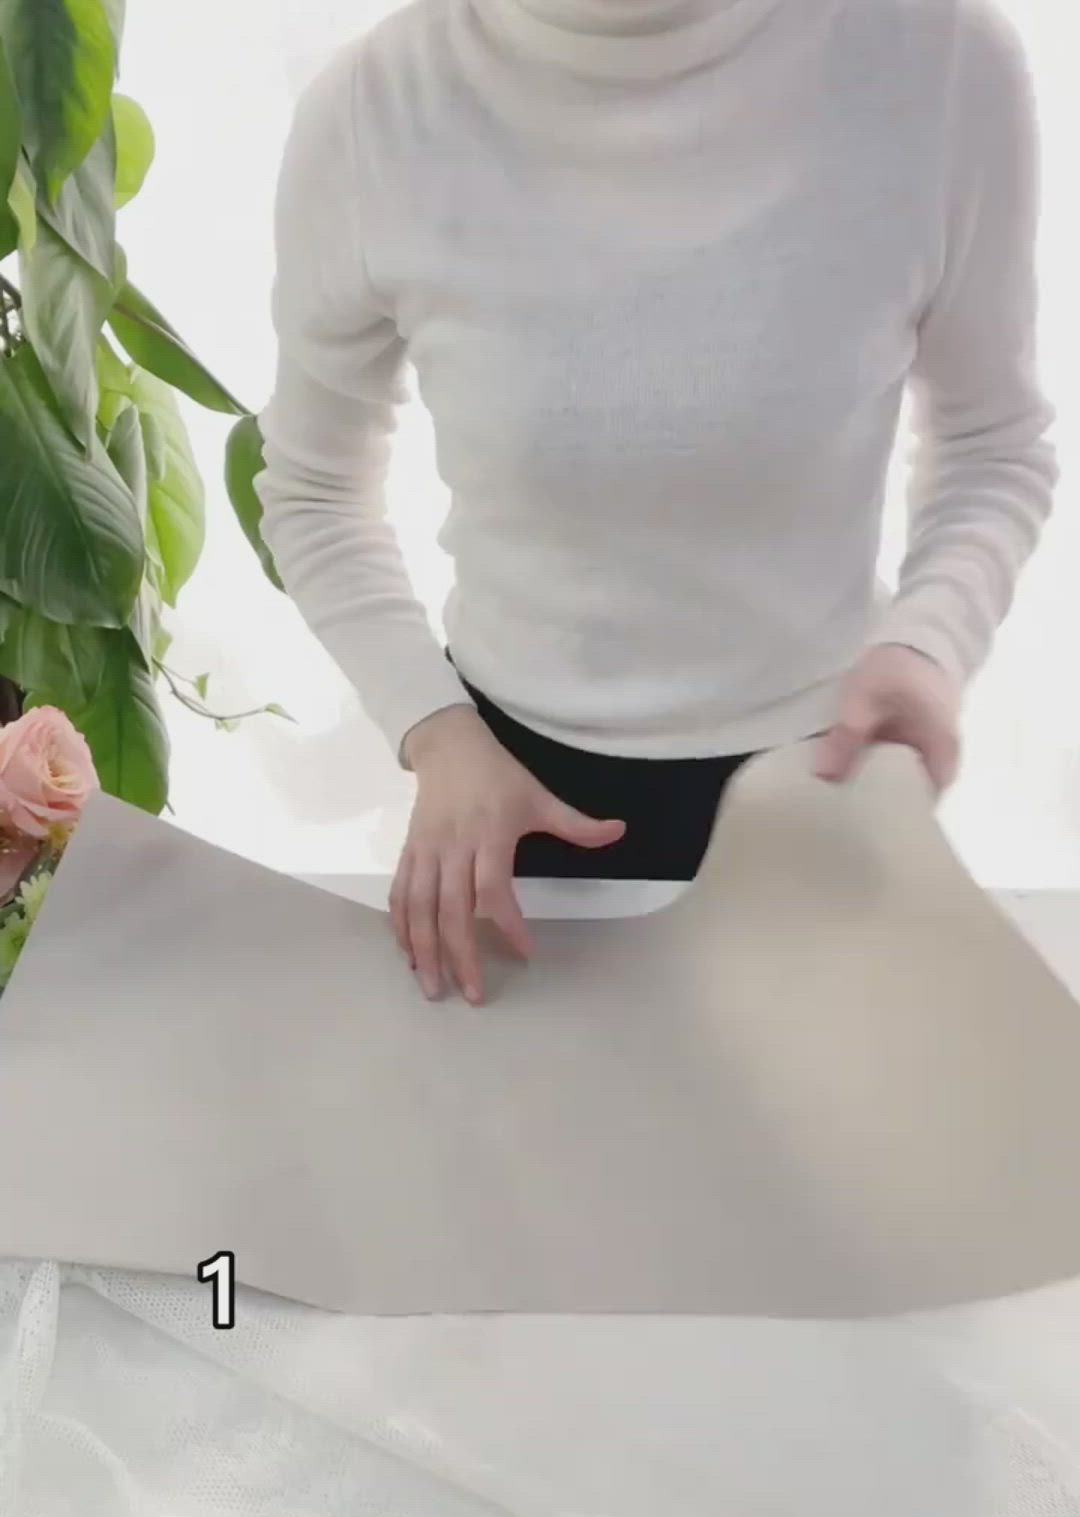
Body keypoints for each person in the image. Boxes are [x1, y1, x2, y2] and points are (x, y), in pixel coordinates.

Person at [256, 0, 1056, 1006]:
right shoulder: (376, 108)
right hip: (512, 807)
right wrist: (435, 733)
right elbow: (314, 488)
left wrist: (930, 643)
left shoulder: (938, 61)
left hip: (820, 792)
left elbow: (993, 444)